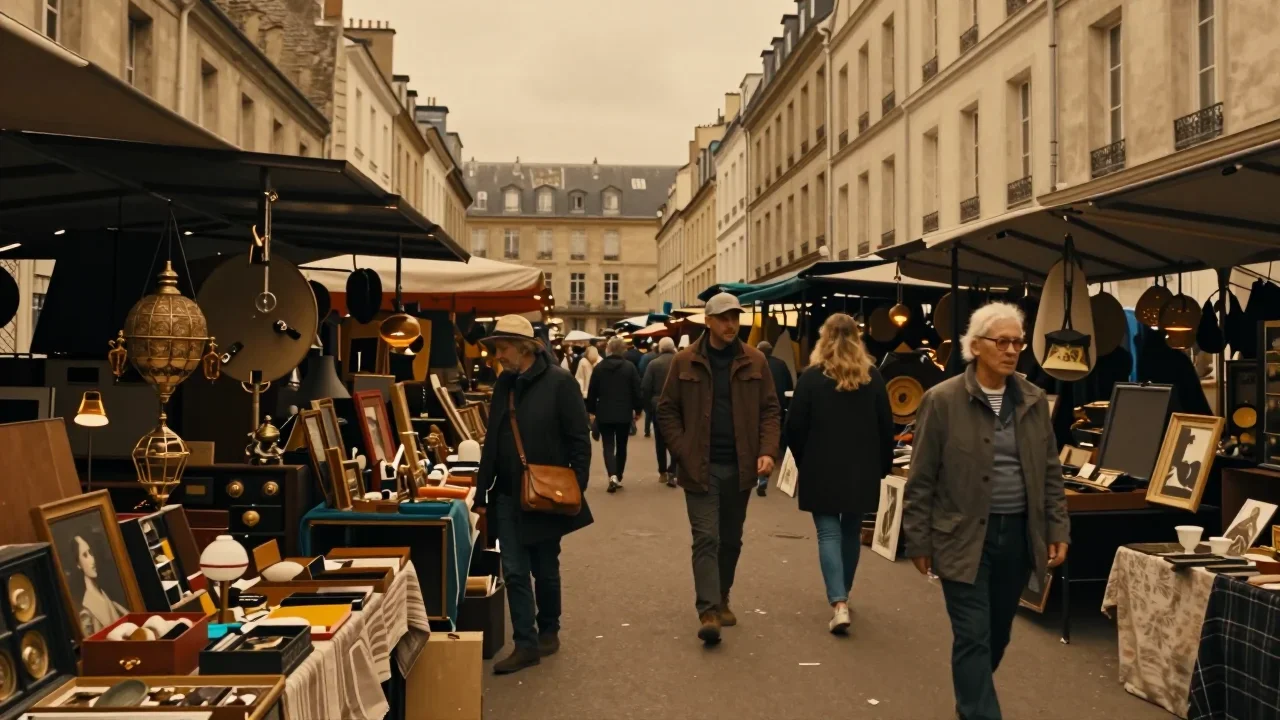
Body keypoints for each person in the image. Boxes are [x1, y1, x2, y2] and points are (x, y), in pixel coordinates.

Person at [902, 302, 1070, 720]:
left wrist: (1057, 527)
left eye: (1018, 342)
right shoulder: (941, 401)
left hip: (1017, 535)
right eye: (1003, 341)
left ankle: (971, 698)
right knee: (973, 635)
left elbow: (1050, 471)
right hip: (962, 536)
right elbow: (920, 478)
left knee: (996, 634)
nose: (1012, 350)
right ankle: (980, 711)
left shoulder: (1033, 400)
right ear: (976, 346)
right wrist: (918, 539)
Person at [658, 292, 781, 646]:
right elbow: (666, 410)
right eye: (724, 318)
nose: (731, 324)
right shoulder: (685, 361)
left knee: (731, 539)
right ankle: (709, 611)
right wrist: (682, 450)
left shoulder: (756, 360)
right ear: (708, 321)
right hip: (700, 468)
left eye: (735, 318)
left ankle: (723, 595)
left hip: (740, 466)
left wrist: (768, 451)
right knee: (706, 538)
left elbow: (771, 410)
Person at [475, 315, 594, 675]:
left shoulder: (560, 383)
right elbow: (493, 441)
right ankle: (525, 643)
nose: (498, 356)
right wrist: (483, 491)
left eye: (503, 348)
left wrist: (575, 486)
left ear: (525, 347)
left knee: (545, 566)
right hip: (508, 494)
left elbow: (579, 438)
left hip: (548, 495)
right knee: (513, 570)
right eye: (495, 349)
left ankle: (549, 629)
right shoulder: (504, 385)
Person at [783, 313, 893, 635]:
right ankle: (843, 593)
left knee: (828, 532)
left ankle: (839, 602)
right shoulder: (873, 377)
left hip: (821, 466)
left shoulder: (812, 378)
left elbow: (794, 427)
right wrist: (881, 466)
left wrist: (805, 460)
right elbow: (886, 428)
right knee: (851, 530)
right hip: (862, 467)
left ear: (824, 338)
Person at [587, 336, 643, 493]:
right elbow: (636, 391)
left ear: (609, 349)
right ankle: (619, 475)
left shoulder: (599, 368)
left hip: (604, 412)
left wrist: (591, 411)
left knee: (608, 445)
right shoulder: (629, 367)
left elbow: (592, 392)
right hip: (624, 413)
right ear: (623, 350)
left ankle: (611, 475)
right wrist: (638, 410)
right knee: (622, 445)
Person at [755, 340, 795, 496]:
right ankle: (764, 471)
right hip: (777, 406)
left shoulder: (754, 362)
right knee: (770, 435)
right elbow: (789, 384)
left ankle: (760, 476)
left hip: (757, 406)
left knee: (758, 438)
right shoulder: (781, 364)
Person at [70, 535, 128, 636]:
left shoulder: (106, 595)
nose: (92, 560)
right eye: (85, 555)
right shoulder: (86, 613)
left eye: (91, 553)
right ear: (78, 564)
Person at [642, 336, 679, 486]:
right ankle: (673, 470)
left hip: (658, 405)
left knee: (660, 440)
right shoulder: (680, 362)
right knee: (677, 439)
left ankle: (662, 472)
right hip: (678, 405)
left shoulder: (653, 364)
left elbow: (645, 386)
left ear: (660, 348)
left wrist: (647, 406)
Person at [638, 342, 658, 437]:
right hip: (659, 387)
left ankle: (647, 430)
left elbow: (640, 368)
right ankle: (657, 430)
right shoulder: (661, 357)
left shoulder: (646, 357)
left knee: (648, 411)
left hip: (648, 384)